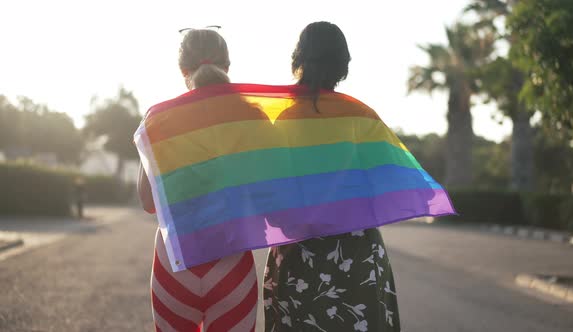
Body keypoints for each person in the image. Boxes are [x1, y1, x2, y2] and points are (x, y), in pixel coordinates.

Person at [263, 22, 402, 332]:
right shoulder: (362, 117)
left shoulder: (283, 121)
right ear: (343, 63)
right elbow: (387, 188)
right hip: (359, 259)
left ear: (299, 59)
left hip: (298, 261)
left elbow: (273, 210)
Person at [137, 29, 258, 332]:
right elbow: (266, 196)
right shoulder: (250, 116)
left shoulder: (157, 119)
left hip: (174, 262)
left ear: (182, 70)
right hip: (232, 262)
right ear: (227, 67)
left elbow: (148, 202)